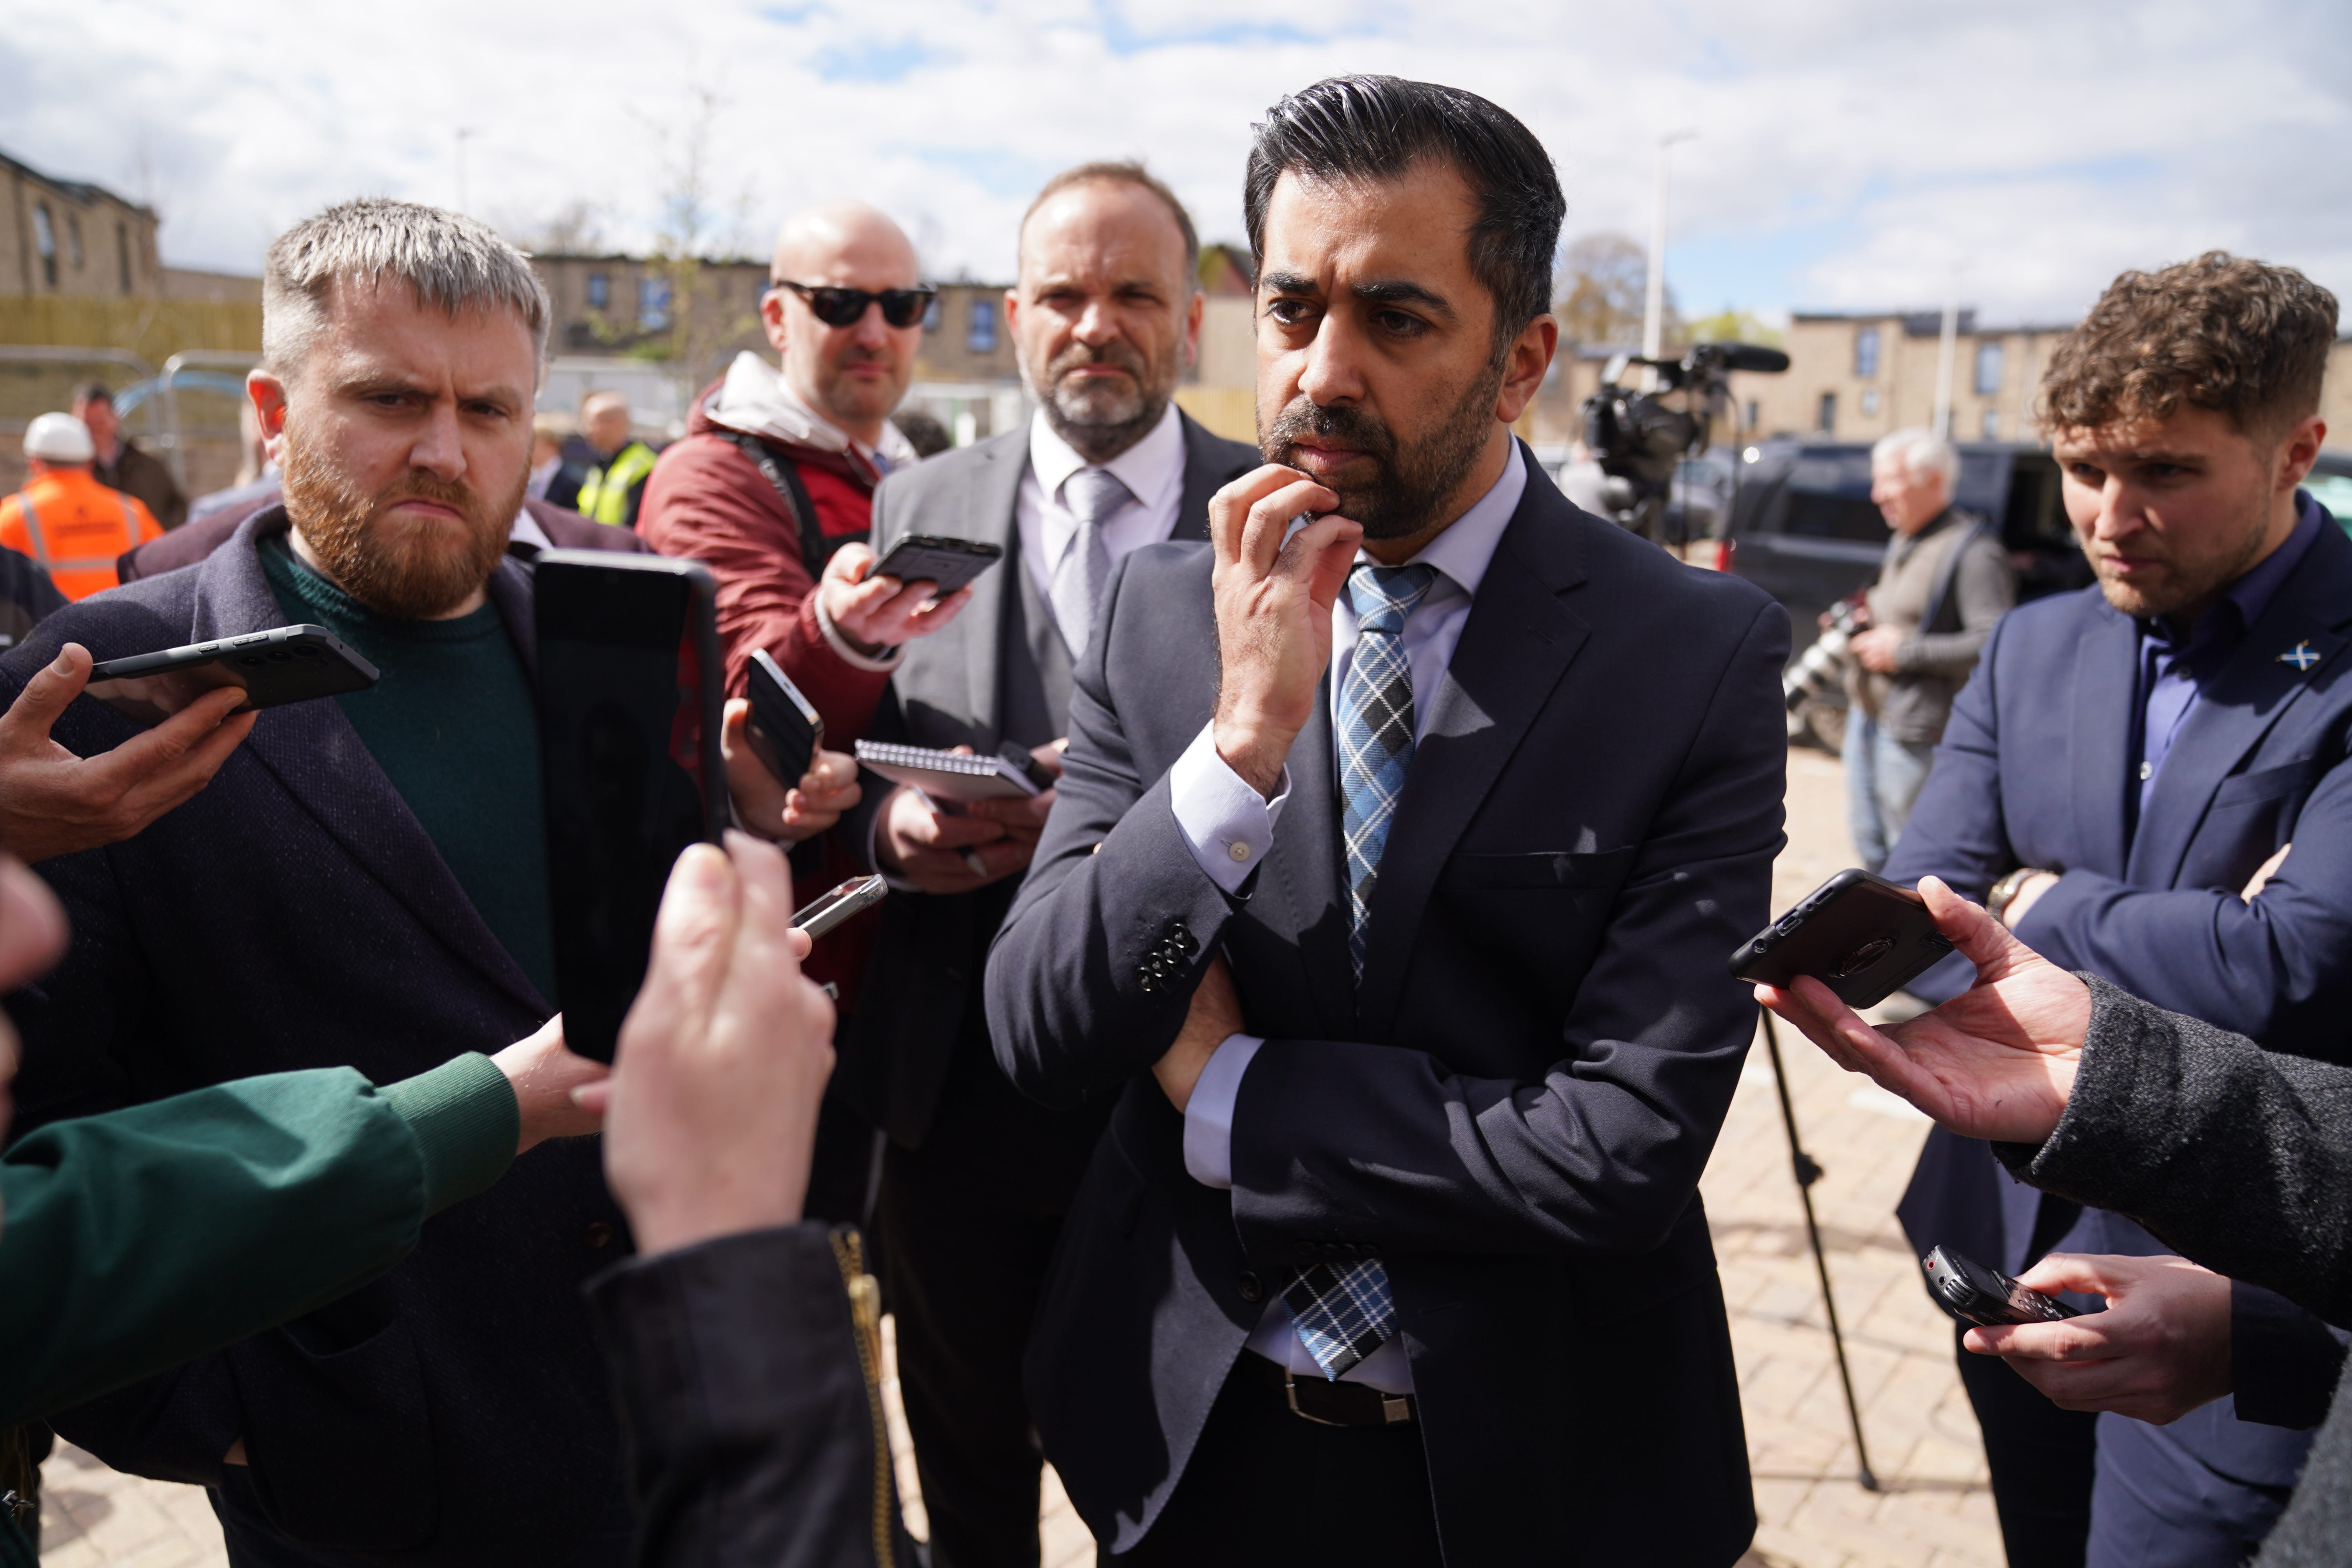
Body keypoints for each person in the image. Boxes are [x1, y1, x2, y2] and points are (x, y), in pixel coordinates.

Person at [984, 79, 1784, 1565]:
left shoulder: (1692, 653)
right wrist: (1236, 752)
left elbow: (1615, 1149)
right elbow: (1040, 1026)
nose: (1321, 374)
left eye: (1397, 320)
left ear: (1520, 357)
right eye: (1292, 311)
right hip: (1183, 1442)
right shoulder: (1166, 611)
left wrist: (1227, 1091)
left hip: (1532, 1471)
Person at [0, 197, 839, 1568]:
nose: (444, 452)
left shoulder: (614, 608)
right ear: (273, 406)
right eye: (390, 399)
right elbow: (45, 1127)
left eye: (489, 411)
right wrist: (226, 1427)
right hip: (367, 1475)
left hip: (661, 1425)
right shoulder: (98, 686)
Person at [1881, 252, 2347, 1568]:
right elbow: (1930, 901)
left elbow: (2299, 964)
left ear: (2295, 450)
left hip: (2241, 1286)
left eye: (2166, 472)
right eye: (2086, 468)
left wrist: (2044, 902)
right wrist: (2199, 925)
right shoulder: (2037, 641)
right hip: (2005, 1241)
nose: (2110, 514)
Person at [838, 159, 1253, 1568]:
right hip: (952, 1099)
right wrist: (888, 832)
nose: (1097, 322)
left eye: (1133, 292)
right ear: (1015, 316)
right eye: (1064, 294)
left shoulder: (1271, 514)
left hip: (1186, 1093)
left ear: (1189, 319)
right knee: (969, 1482)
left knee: (1185, 1481)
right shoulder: (916, 505)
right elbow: (854, 758)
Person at [1757, 880, 2352, 1568]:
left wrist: (2040, 893)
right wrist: (2117, 1068)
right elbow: (1929, 864)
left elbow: (2280, 954)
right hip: (2026, 1205)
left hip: (2237, 1308)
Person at [637, 200, 965, 738]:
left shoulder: (923, 475)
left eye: (903, 306)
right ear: (776, 319)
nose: (874, 334)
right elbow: (752, 705)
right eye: (840, 303)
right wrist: (840, 633)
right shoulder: (710, 476)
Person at [1839, 427, 2013, 871]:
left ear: (1933, 479)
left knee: (1911, 860)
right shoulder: (1906, 536)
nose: (1877, 495)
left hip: (1920, 732)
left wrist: (1904, 653)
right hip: (1871, 716)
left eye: (1889, 481)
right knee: (1872, 848)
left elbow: (1995, 642)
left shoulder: (1975, 551)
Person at [0, 414, 163, 600]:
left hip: (50, 626)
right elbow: (164, 566)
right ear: (89, 462)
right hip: (124, 622)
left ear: (34, 462)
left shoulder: (11, 515)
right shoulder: (132, 511)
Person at [73, 382, 187, 532]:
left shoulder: (148, 466)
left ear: (115, 418)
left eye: (100, 422)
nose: (94, 431)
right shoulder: (65, 470)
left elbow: (176, 509)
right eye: (88, 424)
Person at [573, 391, 659, 528]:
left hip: (620, 549)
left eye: (591, 422)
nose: (585, 430)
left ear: (616, 425)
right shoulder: (601, 466)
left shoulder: (644, 466)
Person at [528, 411, 584, 506]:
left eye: (533, 444)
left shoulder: (571, 481)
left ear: (552, 446)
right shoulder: (529, 478)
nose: (528, 449)